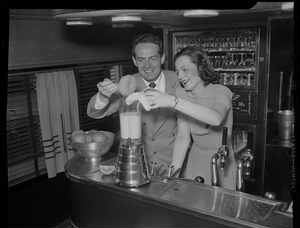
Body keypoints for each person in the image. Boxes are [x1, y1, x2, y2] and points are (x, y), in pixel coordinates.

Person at [145, 46, 236, 190]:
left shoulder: (221, 91)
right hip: (196, 159)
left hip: (221, 161)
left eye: (185, 69)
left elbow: (216, 118)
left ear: (201, 67)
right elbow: (182, 137)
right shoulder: (181, 94)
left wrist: (172, 101)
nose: (180, 76)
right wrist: (172, 175)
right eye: (177, 72)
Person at [87, 33, 180, 173]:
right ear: (134, 61)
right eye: (141, 60)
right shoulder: (128, 85)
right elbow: (95, 113)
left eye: (153, 59)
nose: (147, 65)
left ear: (162, 58)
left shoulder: (179, 81)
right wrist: (103, 95)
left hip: (175, 164)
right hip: (140, 166)